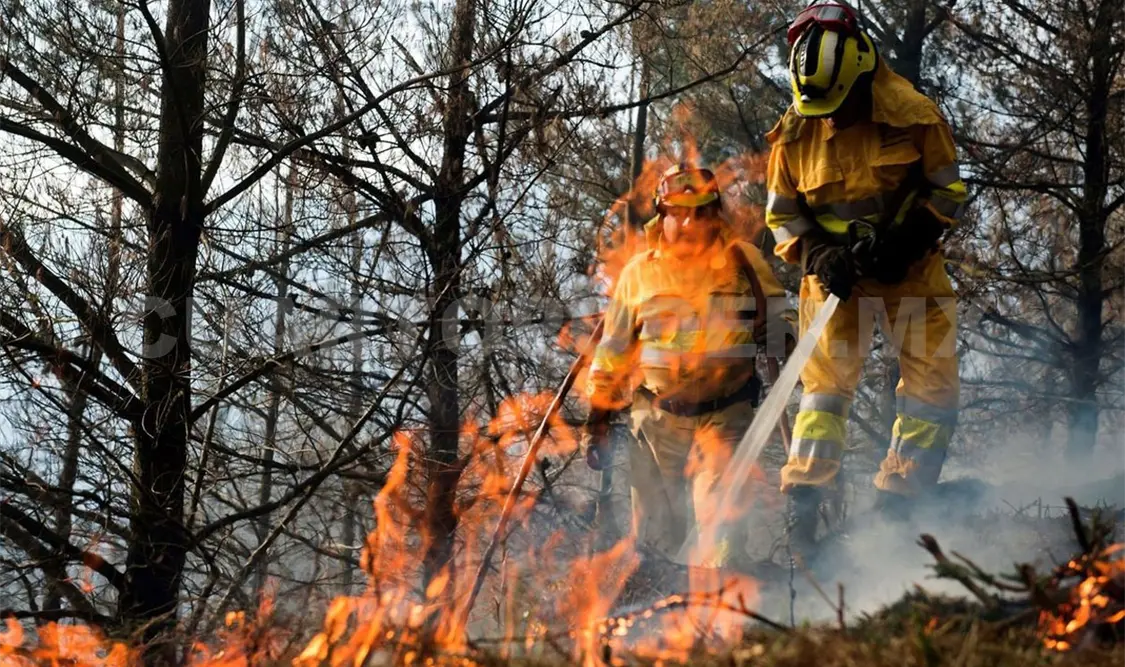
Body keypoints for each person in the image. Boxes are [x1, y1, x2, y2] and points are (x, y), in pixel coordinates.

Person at [764, 0, 967, 571]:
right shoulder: (795, 130)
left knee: (932, 392)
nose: (828, 117)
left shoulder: (913, 114)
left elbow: (948, 190)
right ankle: (803, 516)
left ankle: (897, 510)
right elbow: (781, 217)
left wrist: (906, 244)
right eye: (817, 108)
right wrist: (817, 254)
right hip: (837, 284)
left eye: (839, 105)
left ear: (862, 75)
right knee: (824, 393)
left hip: (911, 273)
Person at [581, 162, 797, 570]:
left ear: (715, 213)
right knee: (656, 545)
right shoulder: (638, 274)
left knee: (722, 535)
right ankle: (667, 623)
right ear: (661, 214)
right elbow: (612, 353)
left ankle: (729, 617)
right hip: (656, 422)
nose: (689, 222)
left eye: (700, 211)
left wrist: (777, 334)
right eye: (678, 211)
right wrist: (598, 420)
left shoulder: (745, 262)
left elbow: (782, 327)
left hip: (725, 416)